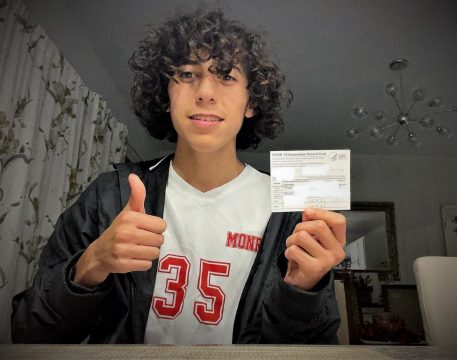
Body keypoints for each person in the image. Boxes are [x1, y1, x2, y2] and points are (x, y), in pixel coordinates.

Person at [11, 9, 346, 344]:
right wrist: (93, 263)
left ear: (251, 103)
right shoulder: (110, 195)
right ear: (165, 96)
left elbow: (318, 346)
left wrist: (303, 293)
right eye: (187, 74)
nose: (205, 92)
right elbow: (29, 332)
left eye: (227, 76)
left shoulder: (289, 213)